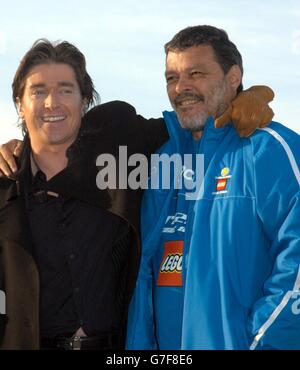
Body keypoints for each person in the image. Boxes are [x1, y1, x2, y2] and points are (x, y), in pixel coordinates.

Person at [0, 38, 273, 350]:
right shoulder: (5, 187)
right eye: (38, 91)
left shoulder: (119, 141)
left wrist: (238, 100)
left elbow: (189, 124)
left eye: (66, 89)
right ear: (20, 103)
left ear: (84, 99)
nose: (52, 102)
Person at [126, 25, 300, 350]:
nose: (181, 88)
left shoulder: (270, 149)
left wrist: (260, 341)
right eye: (171, 78)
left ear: (233, 77)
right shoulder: (162, 157)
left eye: (196, 73)